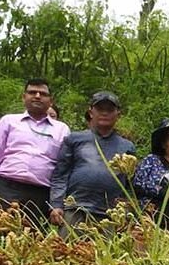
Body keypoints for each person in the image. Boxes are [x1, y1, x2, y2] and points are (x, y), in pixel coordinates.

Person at [0, 79, 70, 229]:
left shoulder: (61, 129)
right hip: (7, 187)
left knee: (33, 243)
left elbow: (62, 170)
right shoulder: (9, 121)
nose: (37, 96)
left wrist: (57, 202)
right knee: (1, 238)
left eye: (43, 93)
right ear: (24, 97)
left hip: (41, 193)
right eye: (32, 92)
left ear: (50, 100)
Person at [49, 92, 135, 236]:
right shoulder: (75, 139)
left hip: (111, 215)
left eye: (110, 110)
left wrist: (127, 213)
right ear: (91, 112)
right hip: (75, 209)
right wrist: (56, 205)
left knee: (107, 256)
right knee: (65, 254)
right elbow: (60, 175)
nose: (104, 113)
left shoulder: (127, 146)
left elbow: (130, 184)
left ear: (118, 114)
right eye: (100, 109)